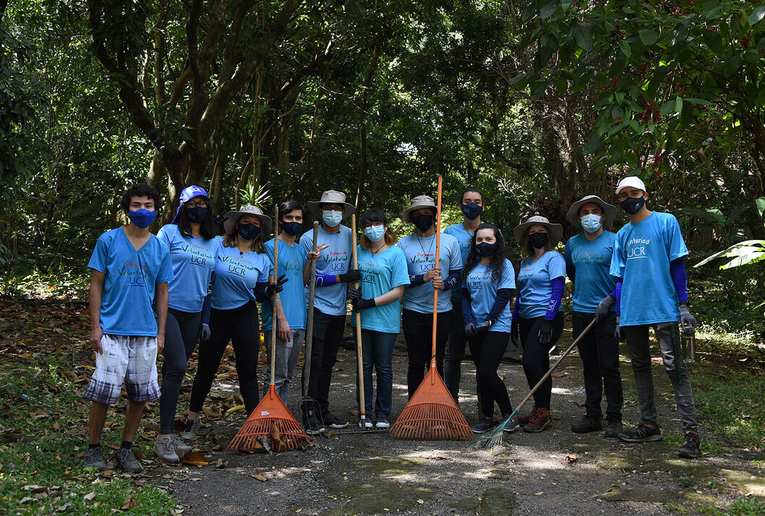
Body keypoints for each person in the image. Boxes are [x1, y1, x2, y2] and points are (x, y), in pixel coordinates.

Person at [83, 183, 173, 472]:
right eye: (136, 205)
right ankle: (94, 449)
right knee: (104, 392)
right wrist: (95, 327)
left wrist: (161, 333)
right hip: (111, 330)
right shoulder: (108, 240)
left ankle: (125, 449)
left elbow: (162, 291)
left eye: (148, 205)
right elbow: (96, 285)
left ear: (156, 210)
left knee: (140, 393)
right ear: (127, 208)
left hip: (145, 332)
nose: (142, 210)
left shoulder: (159, 246)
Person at [610, 176, 700, 459]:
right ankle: (649, 424)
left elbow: (677, 265)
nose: (629, 198)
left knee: (675, 369)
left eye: (634, 193)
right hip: (633, 311)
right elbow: (621, 280)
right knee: (639, 367)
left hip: (664, 307)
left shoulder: (665, 221)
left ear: (645, 195)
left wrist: (683, 305)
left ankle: (691, 435)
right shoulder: (622, 234)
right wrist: (619, 315)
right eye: (623, 195)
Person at [186, 205, 282, 433]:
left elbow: (259, 294)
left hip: (244, 314)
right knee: (206, 368)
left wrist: (269, 292)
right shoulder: (219, 245)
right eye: (246, 221)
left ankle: (253, 423)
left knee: (247, 370)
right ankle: (191, 417)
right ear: (237, 224)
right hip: (215, 314)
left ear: (260, 229)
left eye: (256, 224)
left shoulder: (262, 259)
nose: (250, 226)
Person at [154, 186, 220, 463]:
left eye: (203, 202)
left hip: (193, 313)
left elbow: (209, 285)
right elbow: (154, 271)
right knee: (178, 366)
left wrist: (205, 319)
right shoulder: (168, 234)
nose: (198, 206)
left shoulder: (213, 241)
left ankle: (167, 431)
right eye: (193, 202)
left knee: (173, 369)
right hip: (167, 309)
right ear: (182, 206)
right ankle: (164, 437)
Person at [301, 190, 361, 434]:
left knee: (328, 361)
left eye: (337, 208)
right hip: (315, 306)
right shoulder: (310, 237)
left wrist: (353, 287)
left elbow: (355, 267)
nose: (333, 212)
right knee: (314, 362)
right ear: (320, 210)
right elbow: (310, 279)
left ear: (344, 212)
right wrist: (342, 277)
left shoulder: (350, 234)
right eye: (328, 208)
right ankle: (309, 412)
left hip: (338, 309)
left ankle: (323, 409)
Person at [564, 195, 623, 438]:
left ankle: (615, 418)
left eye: (595, 211)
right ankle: (593, 415)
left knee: (609, 366)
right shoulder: (573, 243)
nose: (590, 215)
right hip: (581, 312)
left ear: (603, 216)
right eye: (585, 211)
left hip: (607, 313)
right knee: (589, 365)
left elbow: (624, 276)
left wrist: (610, 299)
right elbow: (572, 271)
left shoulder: (615, 240)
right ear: (579, 218)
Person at [349, 210, 410, 429]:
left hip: (385, 320)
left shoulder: (396, 254)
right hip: (361, 320)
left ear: (385, 227)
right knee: (363, 367)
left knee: (383, 367)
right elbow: (352, 281)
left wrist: (370, 302)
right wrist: (352, 291)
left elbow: (398, 291)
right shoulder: (358, 251)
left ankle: (383, 413)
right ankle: (364, 411)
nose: (372, 228)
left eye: (376, 223)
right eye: (367, 224)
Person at [398, 195, 462, 398]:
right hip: (413, 311)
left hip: (441, 311)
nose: (423, 217)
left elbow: (457, 274)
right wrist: (422, 278)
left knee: (437, 360)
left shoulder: (449, 241)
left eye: (427, 214)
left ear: (435, 216)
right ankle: (414, 404)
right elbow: (399, 279)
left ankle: (438, 403)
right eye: (418, 214)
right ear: (412, 218)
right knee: (416, 361)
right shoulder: (403, 244)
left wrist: (444, 284)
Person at [461, 223, 519, 434]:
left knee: (487, 370)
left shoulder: (504, 265)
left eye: (488, 239)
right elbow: (465, 296)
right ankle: (487, 417)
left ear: (497, 242)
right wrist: (468, 320)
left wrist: (490, 320)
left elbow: (505, 295)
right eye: (479, 240)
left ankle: (509, 415)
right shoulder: (471, 266)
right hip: (475, 328)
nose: (483, 243)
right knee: (481, 374)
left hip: (497, 327)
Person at [511, 214, 566, 433]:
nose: (536, 236)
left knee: (530, 362)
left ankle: (541, 410)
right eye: (532, 233)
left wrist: (548, 320)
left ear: (549, 235)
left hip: (546, 317)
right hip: (526, 318)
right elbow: (521, 292)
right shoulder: (525, 262)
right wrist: (515, 320)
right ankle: (543, 410)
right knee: (541, 365)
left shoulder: (554, 258)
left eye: (541, 232)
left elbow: (558, 290)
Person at [443, 188, 488, 403]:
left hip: (482, 303)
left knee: (482, 357)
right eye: (467, 201)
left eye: (477, 201)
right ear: (460, 206)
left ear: (483, 206)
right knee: (454, 355)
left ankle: (484, 405)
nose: (472, 205)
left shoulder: (491, 231)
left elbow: (500, 265)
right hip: (455, 300)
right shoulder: (449, 233)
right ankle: (451, 402)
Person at [262, 200, 308, 403]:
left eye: (298, 218)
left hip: (299, 319)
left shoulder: (299, 250)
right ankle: (266, 421)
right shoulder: (270, 248)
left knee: (288, 376)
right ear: (280, 220)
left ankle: (280, 422)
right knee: (276, 376)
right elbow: (271, 287)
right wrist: (281, 318)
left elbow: (304, 281)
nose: (294, 222)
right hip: (280, 320)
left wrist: (312, 261)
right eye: (289, 218)